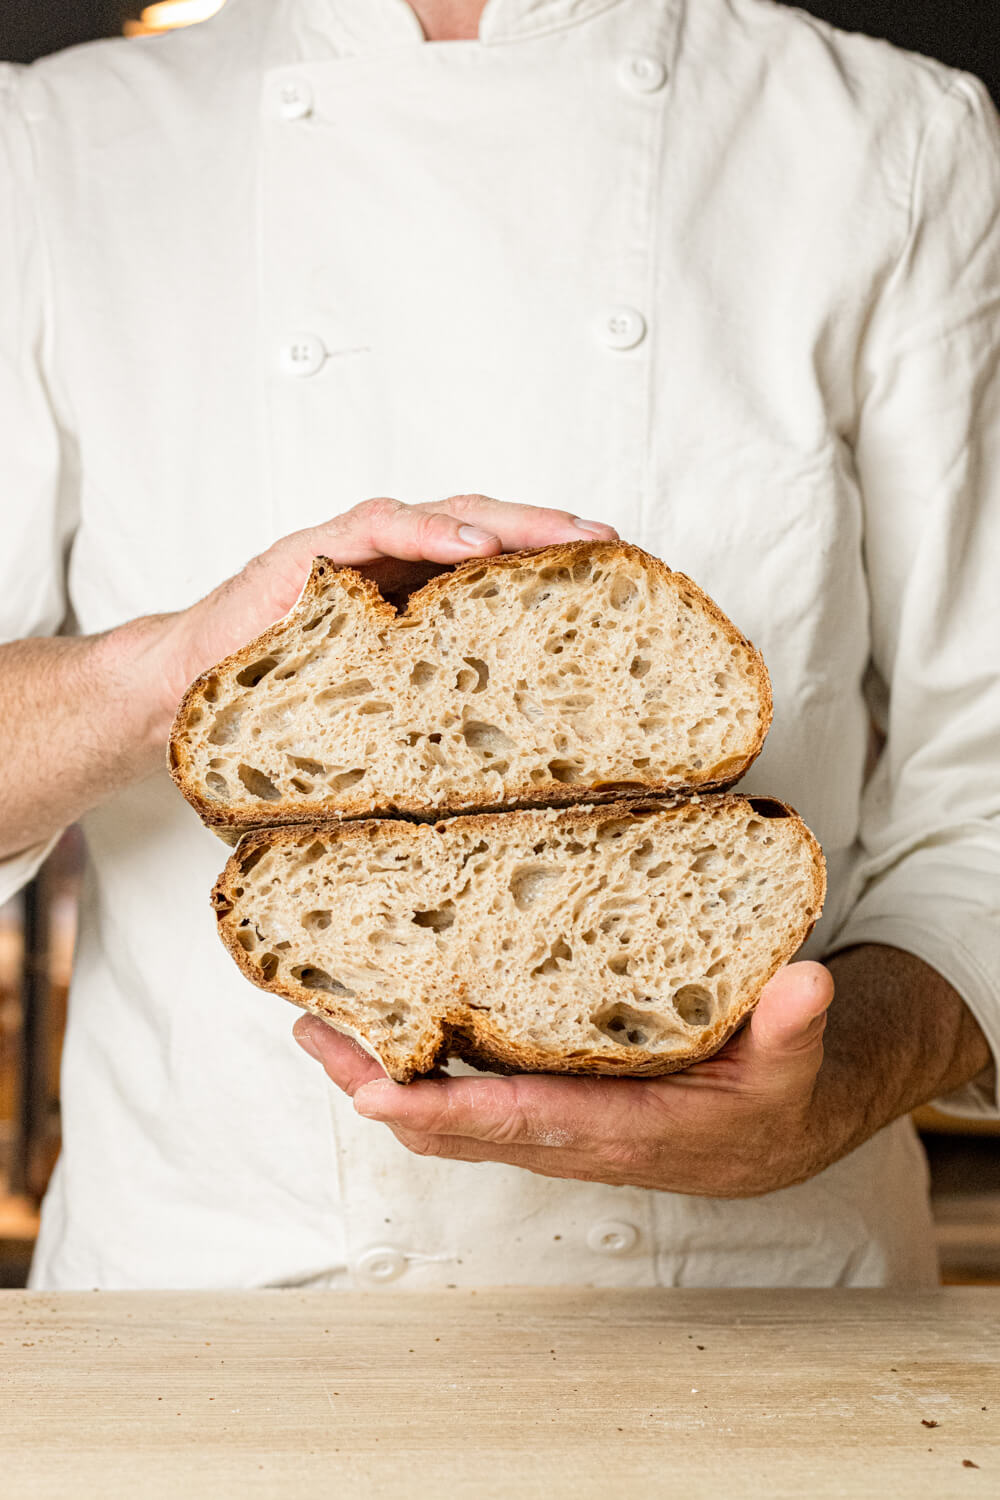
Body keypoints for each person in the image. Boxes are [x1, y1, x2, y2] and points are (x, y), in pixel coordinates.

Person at [1, 0, 998, 1291]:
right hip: (208, 1312)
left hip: (763, 1311)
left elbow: (985, 794)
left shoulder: (895, 149)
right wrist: (187, 669)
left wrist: (830, 1083)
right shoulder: (57, 151)